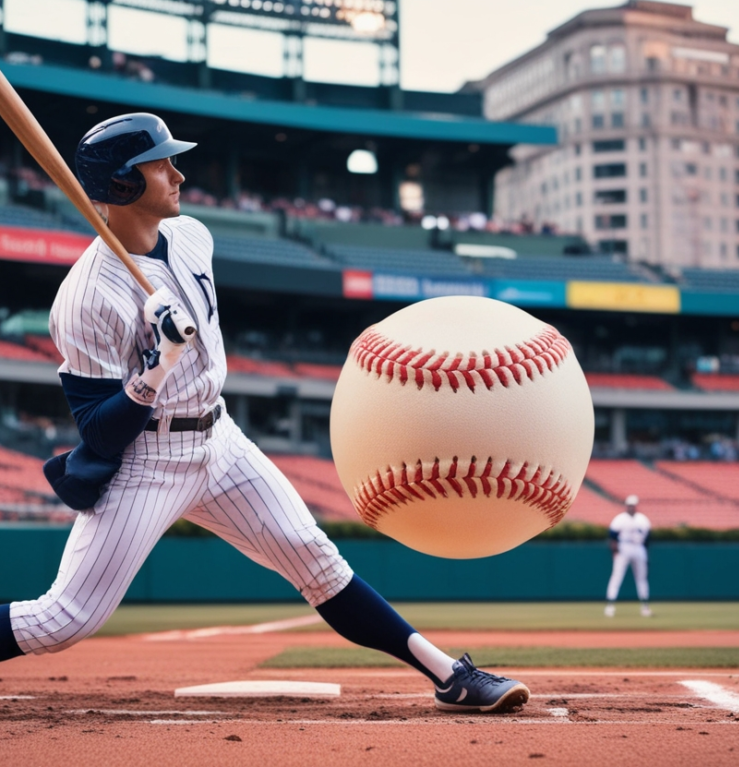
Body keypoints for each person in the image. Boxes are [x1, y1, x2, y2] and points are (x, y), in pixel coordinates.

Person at [0, 113, 529, 714]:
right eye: (161, 165)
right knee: (64, 619)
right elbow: (98, 431)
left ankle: (449, 675)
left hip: (220, 439)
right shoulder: (86, 297)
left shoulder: (193, 236)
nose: (178, 174)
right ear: (123, 184)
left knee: (317, 559)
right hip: (148, 459)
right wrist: (158, 365)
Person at [604, 495, 652, 617]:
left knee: (642, 578)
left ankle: (645, 607)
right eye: (629, 505)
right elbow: (613, 537)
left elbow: (647, 539)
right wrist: (614, 552)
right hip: (624, 547)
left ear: (636, 506)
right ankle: (610, 606)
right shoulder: (620, 519)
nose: (631, 507)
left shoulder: (643, 519)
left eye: (633, 505)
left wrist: (646, 554)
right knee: (616, 576)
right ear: (626, 506)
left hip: (638, 547)